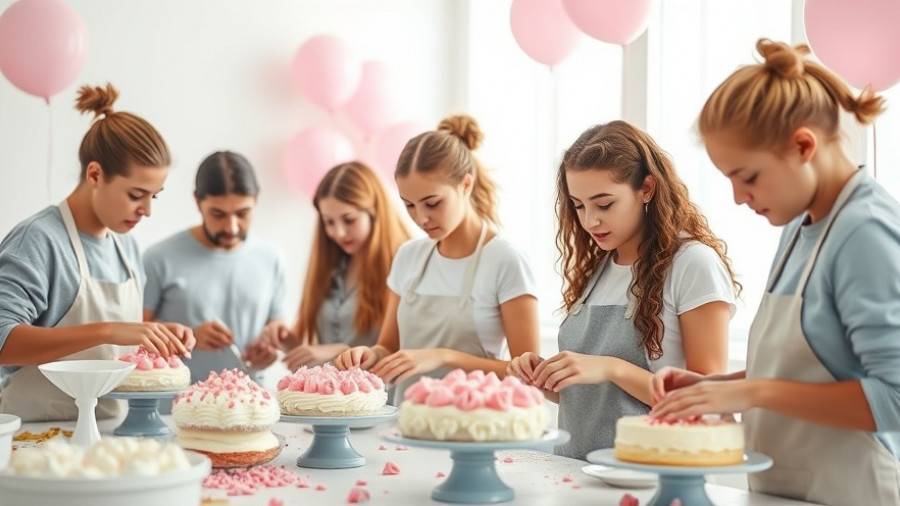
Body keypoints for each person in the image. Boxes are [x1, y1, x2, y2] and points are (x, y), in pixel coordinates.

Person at [649, 39, 900, 504]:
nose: (738, 198)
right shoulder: (801, 225)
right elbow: (814, 368)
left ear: (804, 146)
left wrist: (754, 393)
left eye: (748, 177)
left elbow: (894, 398)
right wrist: (716, 387)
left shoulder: (865, 232)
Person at [508, 120, 739, 459]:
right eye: (579, 205)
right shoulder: (598, 268)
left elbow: (709, 401)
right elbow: (594, 397)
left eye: (604, 204)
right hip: (575, 473)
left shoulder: (692, 265)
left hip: (654, 475)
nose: (590, 222)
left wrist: (613, 368)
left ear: (647, 189)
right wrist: (548, 378)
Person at [0, 84, 194, 422]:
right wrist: (109, 330)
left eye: (154, 196)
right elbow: (3, 342)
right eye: (136, 195)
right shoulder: (38, 240)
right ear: (95, 174)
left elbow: (116, 349)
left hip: (111, 434)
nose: (147, 210)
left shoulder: (127, 248)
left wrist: (155, 335)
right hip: (36, 439)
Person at [335, 115, 541, 399]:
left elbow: (529, 375)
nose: (421, 218)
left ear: (466, 185)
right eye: (409, 205)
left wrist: (445, 357)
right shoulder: (409, 256)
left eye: (433, 203)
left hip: (475, 428)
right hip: (405, 427)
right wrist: (367, 355)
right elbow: (388, 347)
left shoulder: (505, 260)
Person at [143, 151, 289, 385]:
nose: (231, 227)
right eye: (218, 214)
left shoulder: (272, 258)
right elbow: (133, 336)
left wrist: (268, 348)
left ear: (256, 201)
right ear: (197, 202)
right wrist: (187, 337)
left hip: (249, 407)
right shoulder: (158, 258)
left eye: (242, 213)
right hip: (174, 409)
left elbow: (277, 328)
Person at [251, 161, 410, 371]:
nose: (339, 233)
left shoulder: (404, 264)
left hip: (377, 398)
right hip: (328, 398)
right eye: (329, 222)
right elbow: (305, 349)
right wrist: (282, 337)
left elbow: (397, 351)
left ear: (375, 213)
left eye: (349, 220)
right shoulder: (331, 266)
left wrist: (340, 350)